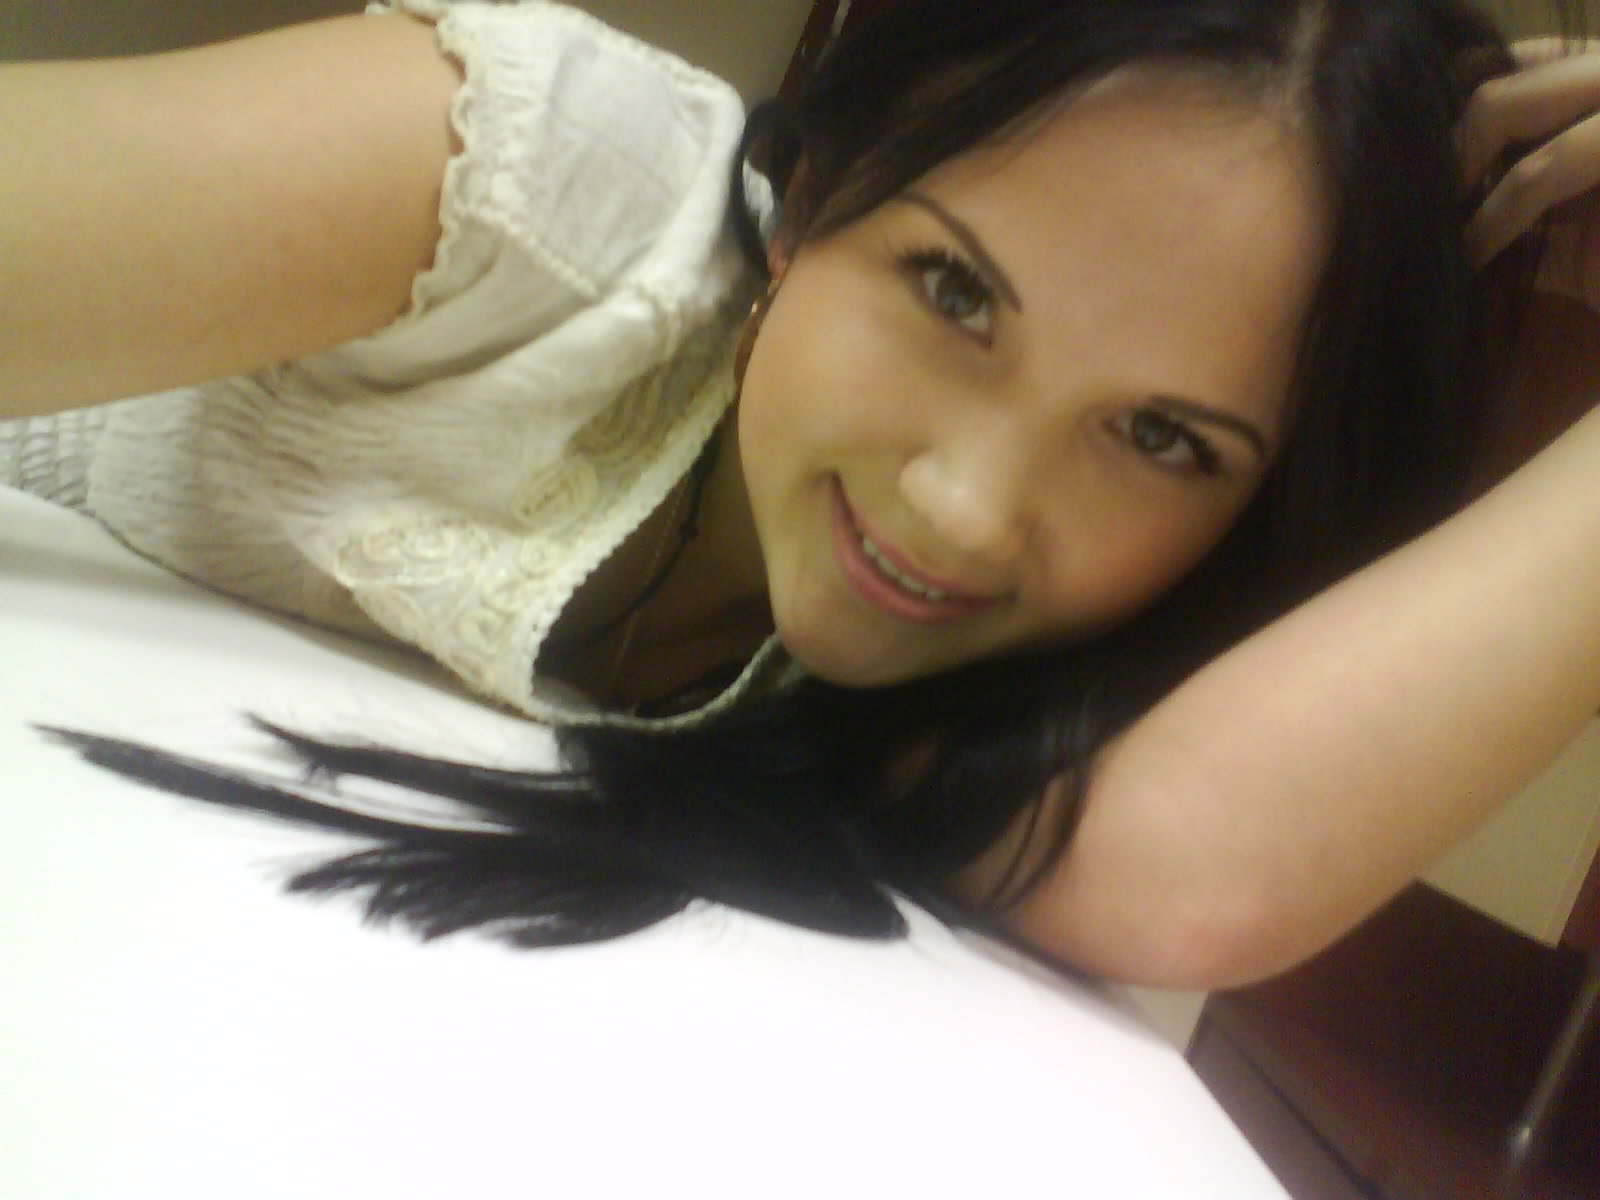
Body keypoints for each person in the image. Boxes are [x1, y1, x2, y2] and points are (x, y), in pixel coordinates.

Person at [4, 0, 1599, 986]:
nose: (965, 511)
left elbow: (1190, 878)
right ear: (813, 194)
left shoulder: (1016, 695)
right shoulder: (531, 181)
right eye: (953, 293)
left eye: (1165, 440)